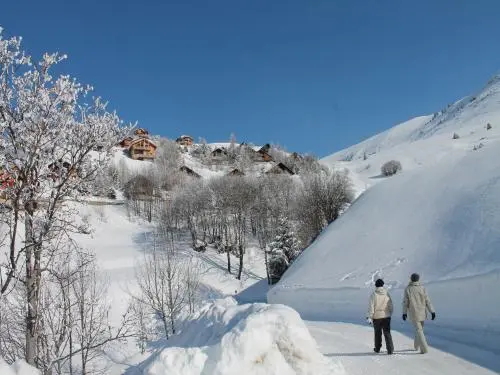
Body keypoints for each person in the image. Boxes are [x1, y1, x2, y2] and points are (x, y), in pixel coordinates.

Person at [402, 273, 436, 354]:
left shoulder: (408, 289)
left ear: (411, 279)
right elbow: (427, 300)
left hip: (414, 313)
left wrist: (404, 313)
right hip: (422, 312)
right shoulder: (422, 288)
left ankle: (424, 349)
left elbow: (405, 302)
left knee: (419, 330)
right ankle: (416, 346)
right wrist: (432, 311)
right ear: (418, 279)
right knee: (419, 330)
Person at [367, 278, 394, 355]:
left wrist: (369, 317)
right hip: (386, 316)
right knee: (387, 333)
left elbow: (371, 307)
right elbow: (390, 305)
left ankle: (377, 348)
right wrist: (389, 313)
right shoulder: (387, 293)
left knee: (377, 333)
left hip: (377, 317)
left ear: (376, 285)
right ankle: (390, 349)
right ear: (383, 285)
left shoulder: (374, 294)